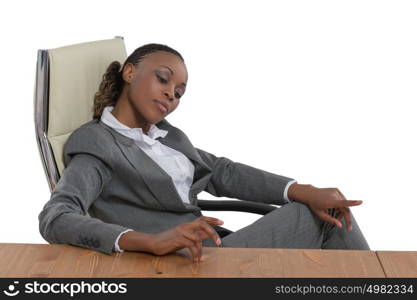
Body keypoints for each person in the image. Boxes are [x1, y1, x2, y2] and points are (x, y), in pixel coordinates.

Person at [38, 43, 370, 263]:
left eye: (179, 92)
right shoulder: (96, 143)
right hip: (179, 262)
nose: (171, 94)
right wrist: (148, 242)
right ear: (129, 72)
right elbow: (56, 218)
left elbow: (222, 172)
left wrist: (302, 189)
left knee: (327, 210)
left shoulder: (166, 136)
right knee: (315, 219)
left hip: (211, 246)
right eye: (164, 79)